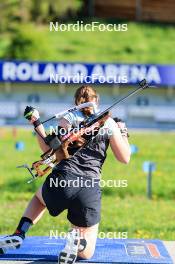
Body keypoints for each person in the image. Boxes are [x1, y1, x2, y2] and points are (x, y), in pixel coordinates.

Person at [0, 85, 131, 264]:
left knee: (39, 199)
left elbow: (49, 150)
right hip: (89, 189)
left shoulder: (67, 120)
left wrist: (36, 123)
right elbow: (124, 158)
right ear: (97, 101)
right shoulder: (109, 123)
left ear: (75, 102)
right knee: (86, 254)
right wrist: (123, 131)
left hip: (62, 179)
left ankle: (20, 232)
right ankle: (76, 241)